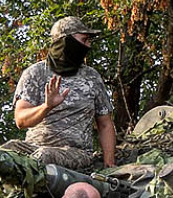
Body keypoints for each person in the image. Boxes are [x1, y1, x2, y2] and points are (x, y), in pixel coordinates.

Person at [9, 15, 116, 170]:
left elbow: (105, 124)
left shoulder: (92, 77)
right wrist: (46, 106)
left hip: (76, 153)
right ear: (66, 42)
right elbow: (21, 120)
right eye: (84, 40)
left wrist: (109, 163)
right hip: (33, 147)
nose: (88, 46)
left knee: (43, 156)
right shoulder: (35, 73)